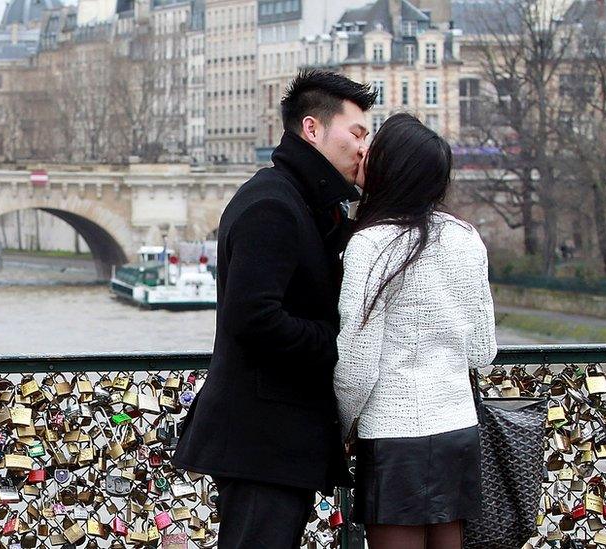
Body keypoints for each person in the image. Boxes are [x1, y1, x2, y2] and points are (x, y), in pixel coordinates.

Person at [172, 70, 377, 548]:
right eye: (357, 132)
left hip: (276, 438)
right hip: (263, 439)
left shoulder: (302, 202)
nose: (363, 147)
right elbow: (254, 318)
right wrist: (337, 344)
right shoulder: (274, 206)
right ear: (312, 129)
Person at [334, 113, 498, 549]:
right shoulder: (465, 238)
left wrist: (341, 425)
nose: (364, 153)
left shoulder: (371, 245)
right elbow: (482, 349)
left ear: (392, 171)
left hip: (394, 434)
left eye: (376, 149)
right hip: (457, 429)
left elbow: (356, 363)